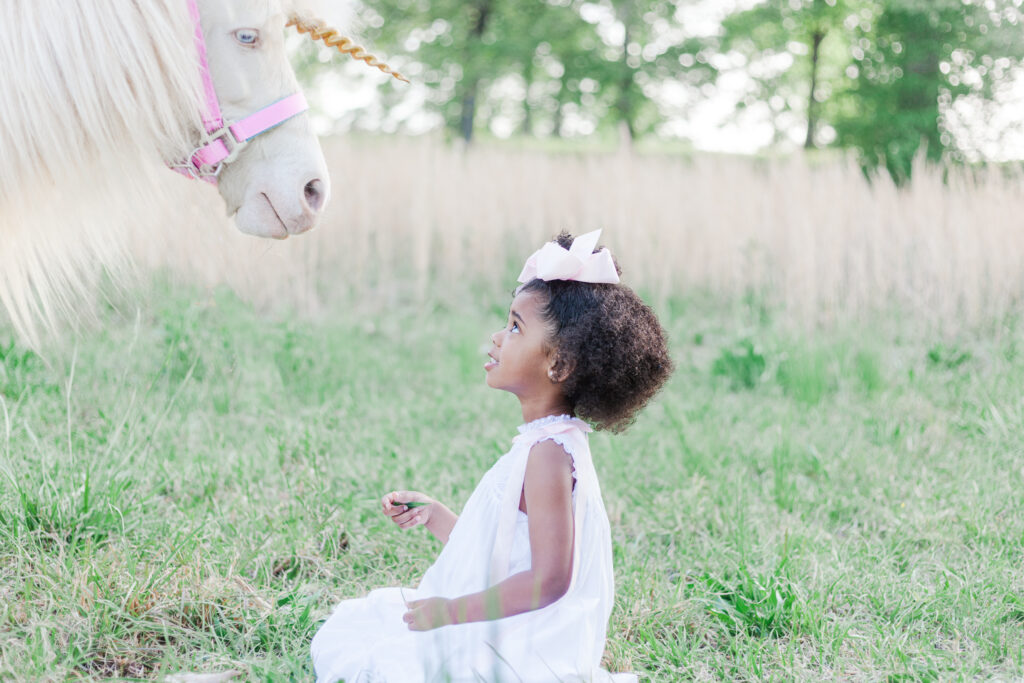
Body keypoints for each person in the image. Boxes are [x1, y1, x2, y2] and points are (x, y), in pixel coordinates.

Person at [311, 230, 674, 682]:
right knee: (374, 632)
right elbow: (505, 554)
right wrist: (436, 515)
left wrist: (450, 612)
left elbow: (550, 580)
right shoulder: (544, 442)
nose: (498, 337)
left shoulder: (549, 453)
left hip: (522, 647)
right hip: (509, 628)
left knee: (381, 659)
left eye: (516, 327)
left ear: (558, 364)